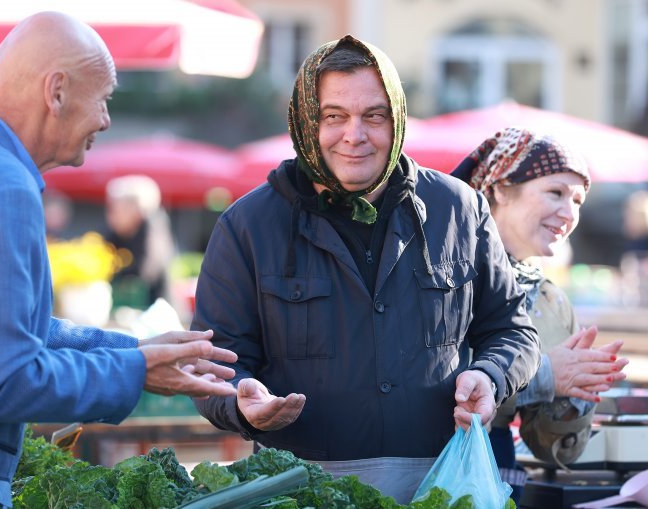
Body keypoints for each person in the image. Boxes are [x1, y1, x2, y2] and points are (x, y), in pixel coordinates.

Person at [0, 12, 238, 509]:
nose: (106, 119)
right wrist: (133, 372)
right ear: (55, 92)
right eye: (103, 98)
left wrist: (133, 350)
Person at [191, 35, 541, 504]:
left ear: (396, 119)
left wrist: (491, 375)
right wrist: (240, 401)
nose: (354, 135)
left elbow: (513, 330)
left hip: (440, 486)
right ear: (305, 123)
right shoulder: (247, 225)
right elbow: (212, 364)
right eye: (334, 116)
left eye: (374, 116)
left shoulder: (458, 208)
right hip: (301, 492)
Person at [451, 127, 629, 504]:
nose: (569, 214)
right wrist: (546, 375)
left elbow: (553, 450)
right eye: (556, 192)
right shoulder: (443, 270)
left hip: (500, 484)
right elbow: (421, 381)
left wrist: (577, 396)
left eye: (579, 200)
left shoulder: (551, 300)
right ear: (500, 188)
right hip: (426, 472)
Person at [104, 174, 174, 310]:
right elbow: (101, 254)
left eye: (115, 208)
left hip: (154, 308)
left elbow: (146, 270)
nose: (110, 215)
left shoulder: (154, 227)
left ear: (135, 209)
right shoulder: (116, 231)